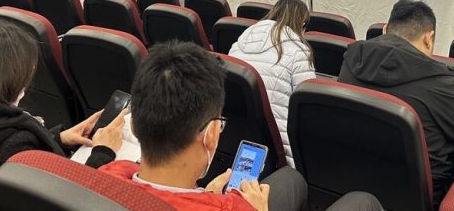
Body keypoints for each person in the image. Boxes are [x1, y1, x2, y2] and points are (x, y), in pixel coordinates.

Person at [100, 42, 381, 211]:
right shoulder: (236, 207)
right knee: (362, 201)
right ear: (211, 135)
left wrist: (203, 195)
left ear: (134, 126)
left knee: (290, 179)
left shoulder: (104, 174)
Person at [338, 0, 454, 211]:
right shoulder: (438, 81)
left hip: (351, 184)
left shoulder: (351, 60)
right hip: (419, 199)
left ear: (385, 29)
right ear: (428, 38)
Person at [0, 20, 125, 173]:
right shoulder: (14, 144)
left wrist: (57, 139)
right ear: (6, 82)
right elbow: (66, 199)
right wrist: (103, 153)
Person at [229, 0, 315, 167]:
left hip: (234, 136)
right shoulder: (299, 52)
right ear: (302, 24)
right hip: (276, 145)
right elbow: (308, 108)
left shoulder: (240, 43)